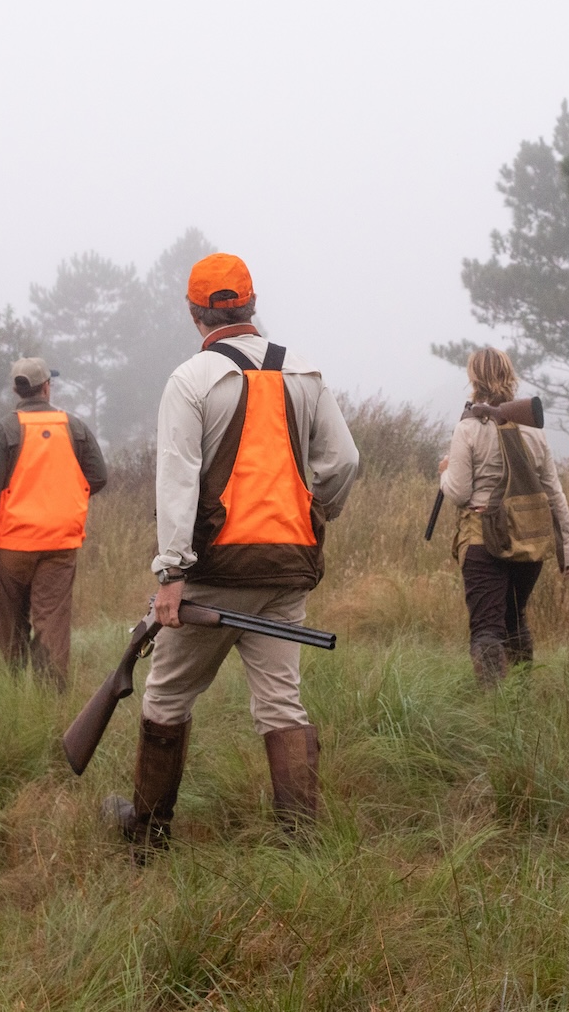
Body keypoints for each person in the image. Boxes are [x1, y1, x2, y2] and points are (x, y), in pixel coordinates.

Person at [110, 252, 360, 847]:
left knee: (167, 696)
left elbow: (176, 480)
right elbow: (344, 461)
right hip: (287, 567)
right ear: (251, 305)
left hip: (214, 572)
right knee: (281, 703)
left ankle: (148, 837)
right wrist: (317, 511)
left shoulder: (191, 380)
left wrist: (171, 573)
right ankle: (298, 845)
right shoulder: (302, 372)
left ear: (196, 313)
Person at [0, 357, 108, 687]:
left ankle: (10, 698)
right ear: (46, 387)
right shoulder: (75, 427)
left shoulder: (3, 431)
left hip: (12, 545)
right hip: (60, 544)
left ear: (17, 390)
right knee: (52, 624)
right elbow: (98, 477)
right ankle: (52, 709)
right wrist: (65, 495)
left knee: (10, 624)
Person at [439, 347, 569, 687]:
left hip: (484, 542)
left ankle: (495, 710)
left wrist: (443, 471)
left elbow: (456, 492)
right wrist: (568, 548)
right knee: (515, 621)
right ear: (509, 376)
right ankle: (520, 700)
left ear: (473, 378)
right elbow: (553, 491)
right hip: (530, 541)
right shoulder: (533, 430)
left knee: (487, 629)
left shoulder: (468, 429)